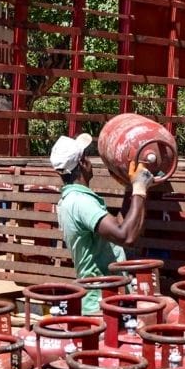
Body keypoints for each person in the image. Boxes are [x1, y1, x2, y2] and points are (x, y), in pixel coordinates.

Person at [51, 133, 155, 316]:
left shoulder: (72, 199)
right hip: (102, 301)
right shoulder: (81, 202)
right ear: (82, 163)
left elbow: (118, 225)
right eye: (87, 157)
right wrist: (140, 189)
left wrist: (130, 187)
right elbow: (126, 236)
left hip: (103, 296)